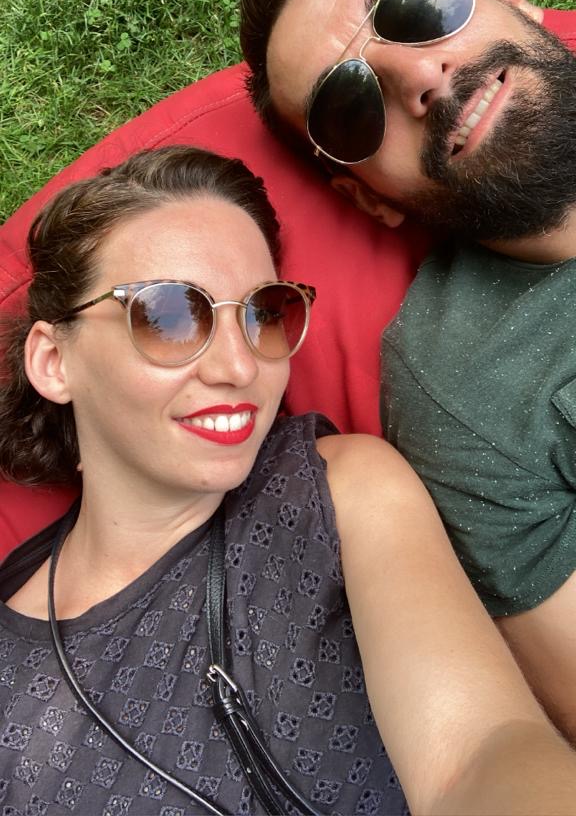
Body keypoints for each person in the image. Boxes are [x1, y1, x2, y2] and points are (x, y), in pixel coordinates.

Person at [1, 145, 576, 816]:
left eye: (263, 313)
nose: (240, 366)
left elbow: (476, 751)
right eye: (169, 316)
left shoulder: (338, 489)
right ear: (54, 360)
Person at [239, 0, 576, 740]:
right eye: (350, 107)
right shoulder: (465, 400)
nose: (422, 75)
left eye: (418, 5)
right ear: (369, 197)